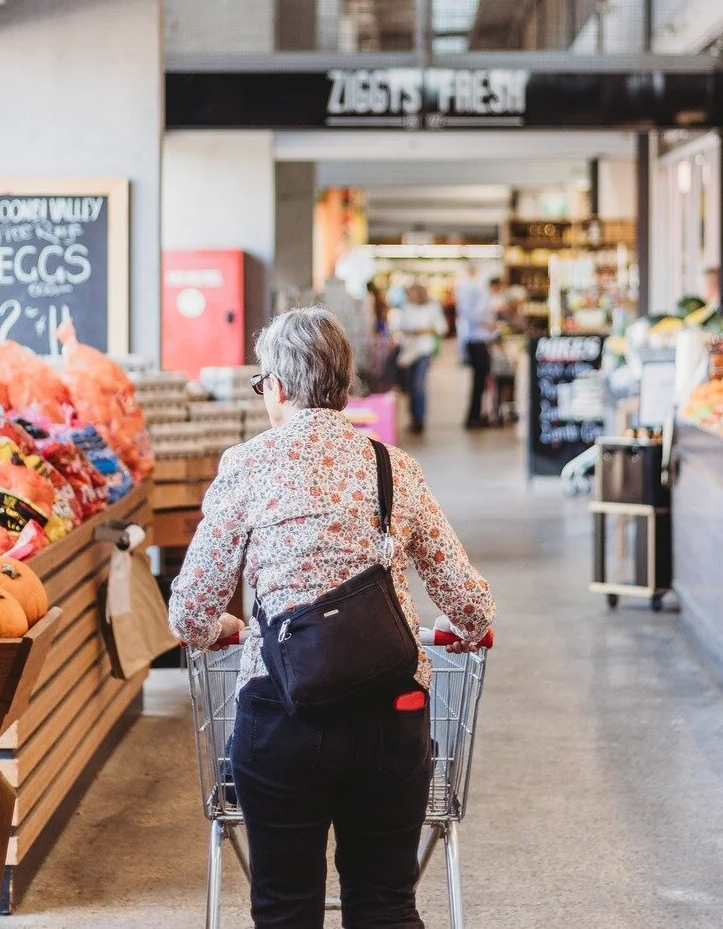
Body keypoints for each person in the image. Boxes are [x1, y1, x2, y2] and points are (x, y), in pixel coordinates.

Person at [168, 308, 495, 929]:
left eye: (263, 384)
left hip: (281, 719)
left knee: (285, 908)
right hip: (389, 720)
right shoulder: (392, 467)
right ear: (342, 385)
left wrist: (224, 630)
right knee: (386, 906)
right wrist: (473, 629)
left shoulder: (248, 466)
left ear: (281, 387)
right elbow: (468, 602)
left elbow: (190, 613)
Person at [391, 283, 444, 435]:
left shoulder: (432, 307)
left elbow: (441, 328)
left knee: (418, 384)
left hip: (423, 350)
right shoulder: (406, 307)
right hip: (409, 352)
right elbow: (401, 326)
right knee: (410, 386)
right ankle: (413, 417)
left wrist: (424, 330)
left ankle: (419, 419)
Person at [454, 273, 502, 430]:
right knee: (479, 383)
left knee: (480, 383)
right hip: (478, 343)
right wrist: (491, 325)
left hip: (476, 342)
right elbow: (476, 317)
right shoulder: (484, 297)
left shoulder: (481, 296)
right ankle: (474, 417)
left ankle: (477, 415)